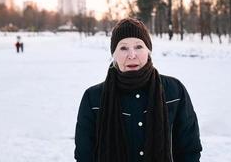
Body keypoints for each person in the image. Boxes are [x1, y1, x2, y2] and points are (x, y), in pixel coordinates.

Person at [74, 18, 202, 162]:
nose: (132, 55)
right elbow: (84, 156)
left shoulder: (174, 91)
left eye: (139, 47)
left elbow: (189, 150)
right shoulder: (93, 98)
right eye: (123, 48)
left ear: (148, 51)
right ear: (113, 55)